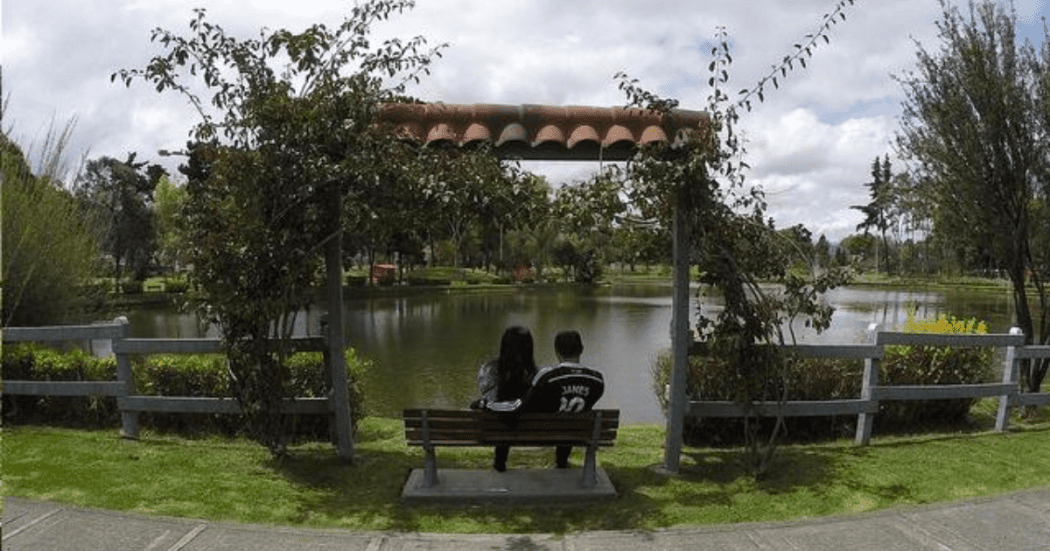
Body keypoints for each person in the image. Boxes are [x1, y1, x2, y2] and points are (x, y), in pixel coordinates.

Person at [525, 330, 604, 468]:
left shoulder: (546, 377)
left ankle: (561, 462)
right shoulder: (597, 379)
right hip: (579, 431)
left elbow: (529, 401)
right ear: (581, 349)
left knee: (555, 414)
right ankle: (561, 461)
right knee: (571, 420)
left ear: (556, 351)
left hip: (545, 431)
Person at [474, 325, 538, 471]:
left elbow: (489, 396)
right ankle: (561, 462)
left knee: (502, 415)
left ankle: (500, 461)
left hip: (493, 426)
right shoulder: (535, 374)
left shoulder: (488, 369)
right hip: (530, 427)